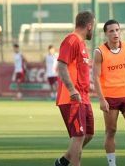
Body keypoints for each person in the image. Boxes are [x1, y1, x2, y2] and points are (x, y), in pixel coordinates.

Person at [93, 19, 125, 166]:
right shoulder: (99, 52)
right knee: (111, 131)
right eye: (111, 31)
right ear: (106, 34)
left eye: (117, 30)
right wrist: (101, 99)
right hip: (110, 98)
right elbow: (95, 78)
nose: (115, 33)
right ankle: (112, 164)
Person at [54, 11, 95, 166]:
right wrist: (72, 90)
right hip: (71, 98)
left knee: (89, 134)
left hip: (83, 97)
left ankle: (64, 161)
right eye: (94, 26)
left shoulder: (81, 43)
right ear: (89, 26)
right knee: (78, 136)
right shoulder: (71, 40)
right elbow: (61, 66)